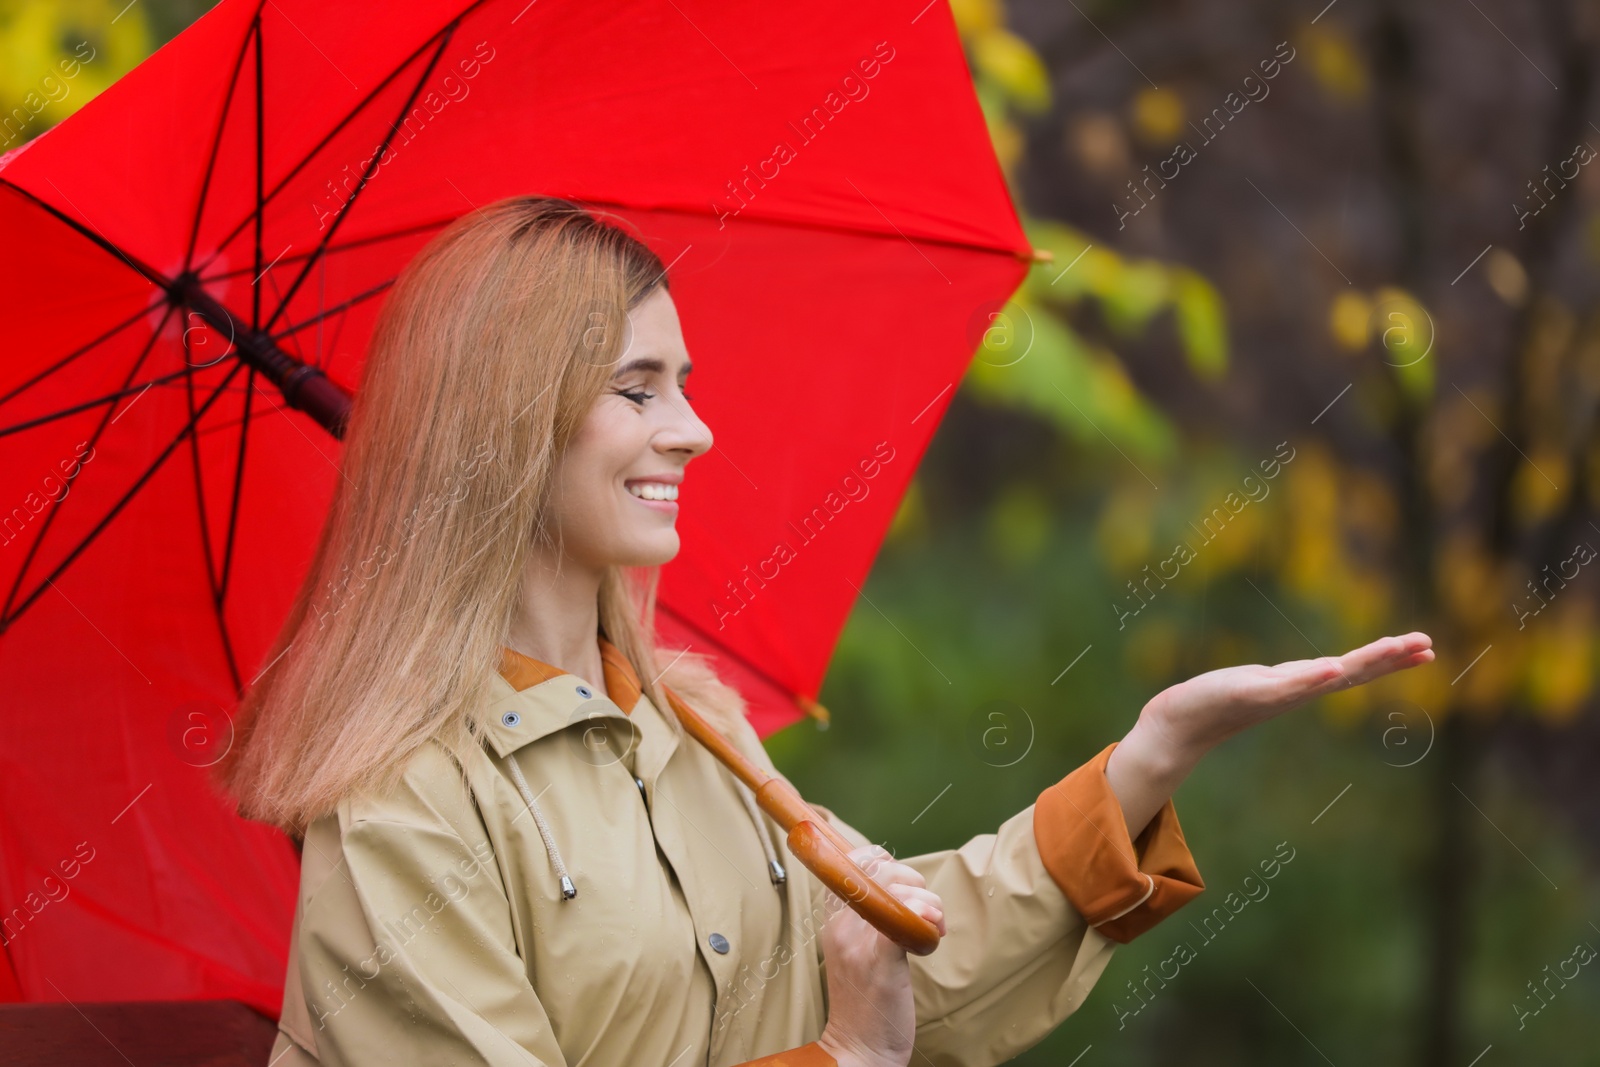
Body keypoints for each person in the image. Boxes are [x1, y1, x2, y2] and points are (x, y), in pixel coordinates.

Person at [220, 196, 1434, 1067]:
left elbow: (893, 967)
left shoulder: (690, 719)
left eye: (684, 383)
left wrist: (1147, 761)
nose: (692, 430)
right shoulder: (400, 800)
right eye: (637, 389)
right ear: (506, 429)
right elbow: (860, 1031)